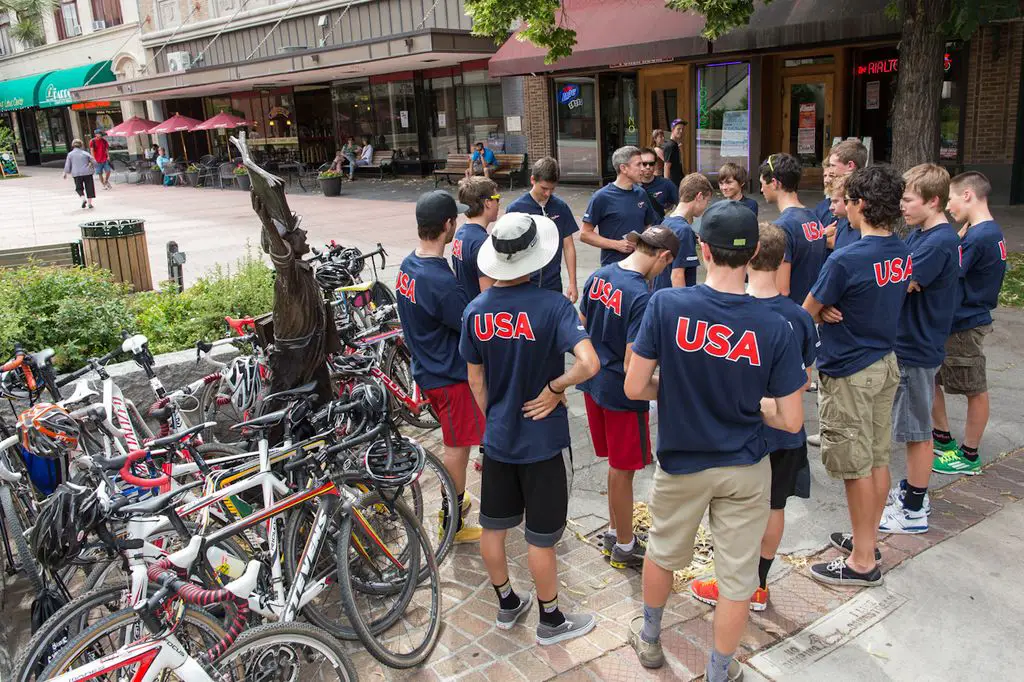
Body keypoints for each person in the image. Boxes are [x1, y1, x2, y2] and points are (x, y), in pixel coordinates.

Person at [624, 201, 806, 679]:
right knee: (737, 577)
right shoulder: (774, 326)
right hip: (746, 466)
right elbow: (791, 419)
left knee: (662, 553)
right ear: (753, 258)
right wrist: (755, 404)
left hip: (682, 463)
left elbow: (634, 385)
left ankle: (649, 640)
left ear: (702, 249)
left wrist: (677, 387)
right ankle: (720, 670)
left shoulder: (666, 304)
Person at [460, 212, 601, 645]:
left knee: (493, 526)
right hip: (541, 441)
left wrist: (495, 417)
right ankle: (551, 619)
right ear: (537, 259)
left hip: (498, 439)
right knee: (541, 539)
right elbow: (590, 363)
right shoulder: (553, 306)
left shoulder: (475, 311)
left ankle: (506, 604)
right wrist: (556, 388)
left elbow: (475, 380)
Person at [689, 222, 816, 613]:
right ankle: (758, 586)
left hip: (738, 433)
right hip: (785, 434)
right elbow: (805, 377)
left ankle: (729, 585)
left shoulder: (732, 309)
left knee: (731, 515)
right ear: (781, 261)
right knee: (775, 507)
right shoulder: (798, 316)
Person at [802, 165, 910, 587]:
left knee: (854, 466)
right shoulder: (900, 249)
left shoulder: (846, 258)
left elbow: (807, 309)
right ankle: (865, 538)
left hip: (849, 370)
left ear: (860, 204)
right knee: (877, 457)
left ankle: (862, 562)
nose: (841, 208)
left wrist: (823, 309)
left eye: (846, 201)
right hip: (884, 363)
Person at [580, 227, 679, 569]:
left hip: (593, 384)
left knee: (615, 467)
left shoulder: (600, 274)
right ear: (663, 256)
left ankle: (614, 529)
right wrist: (667, 391)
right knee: (623, 471)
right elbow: (631, 363)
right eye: (665, 266)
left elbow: (581, 321)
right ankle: (623, 542)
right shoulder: (641, 296)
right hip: (621, 395)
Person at [396, 190, 484, 544]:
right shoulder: (440, 281)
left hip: (426, 367)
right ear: (448, 225)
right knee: (458, 447)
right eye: (455, 219)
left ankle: (455, 505)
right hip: (449, 376)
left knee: (458, 442)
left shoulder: (408, 265)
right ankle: (452, 518)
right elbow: (470, 326)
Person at [876, 164, 959, 535]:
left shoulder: (938, 242)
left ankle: (913, 510)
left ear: (933, 200)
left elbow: (901, 282)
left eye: (908, 200)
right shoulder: (920, 233)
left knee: (916, 431)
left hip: (916, 347)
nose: (902, 207)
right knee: (914, 426)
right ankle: (912, 490)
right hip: (911, 343)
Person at [931, 171, 1008, 475]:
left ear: (967, 195)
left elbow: (950, 273)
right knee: (930, 379)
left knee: (974, 387)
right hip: (955, 321)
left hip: (965, 323)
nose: (948, 207)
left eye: (950, 198)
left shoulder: (980, 236)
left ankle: (969, 454)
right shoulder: (984, 232)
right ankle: (943, 437)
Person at [506, 157, 581, 302]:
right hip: (523, 283)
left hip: (552, 283)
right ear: (533, 179)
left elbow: (568, 246)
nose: (547, 194)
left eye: (552, 189)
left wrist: (573, 282)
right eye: (544, 188)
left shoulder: (561, 207)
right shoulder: (516, 209)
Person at [759, 153, 827, 305]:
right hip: (810, 310)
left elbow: (782, 290)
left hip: (791, 314)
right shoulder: (813, 217)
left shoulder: (781, 227)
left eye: (762, 183)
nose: (761, 190)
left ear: (775, 183)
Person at [581, 146, 657, 266]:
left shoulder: (641, 193)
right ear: (623, 168)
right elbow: (585, 234)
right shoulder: (601, 196)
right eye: (639, 164)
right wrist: (616, 244)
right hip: (613, 268)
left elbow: (648, 225)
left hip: (640, 266)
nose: (643, 169)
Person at [653, 172, 713, 291]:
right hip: (675, 302)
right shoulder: (684, 231)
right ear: (699, 196)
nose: (706, 206)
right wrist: (683, 308)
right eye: (707, 201)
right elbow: (677, 276)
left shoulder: (666, 222)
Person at [452, 176, 500, 299]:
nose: (499, 203)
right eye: (497, 198)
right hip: (479, 312)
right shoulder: (483, 243)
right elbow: (488, 295)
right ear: (488, 203)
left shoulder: (460, 234)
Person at [820, 140, 868, 252]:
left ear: (850, 165)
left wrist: (820, 238)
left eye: (833, 165)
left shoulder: (861, 194)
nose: (830, 170)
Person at [639, 147, 679, 221]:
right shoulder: (631, 186)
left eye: (651, 164)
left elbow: (681, 206)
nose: (648, 167)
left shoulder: (667, 184)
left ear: (655, 165)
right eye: (644, 164)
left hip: (660, 228)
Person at [62, 139, 96, 209]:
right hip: (87, 173)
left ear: (72, 145)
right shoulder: (85, 153)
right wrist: (91, 164)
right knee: (90, 187)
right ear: (81, 145)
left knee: (79, 188)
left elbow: (67, 165)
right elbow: (94, 162)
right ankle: (90, 203)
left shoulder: (70, 154)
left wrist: (65, 172)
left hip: (76, 173)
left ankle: (83, 198)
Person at [662, 119, 686, 190]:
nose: (681, 131)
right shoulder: (670, 146)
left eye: (682, 129)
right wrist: (667, 186)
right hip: (673, 184)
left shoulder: (675, 145)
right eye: (678, 129)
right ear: (672, 129)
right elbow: (666, 166)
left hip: (678, 181)